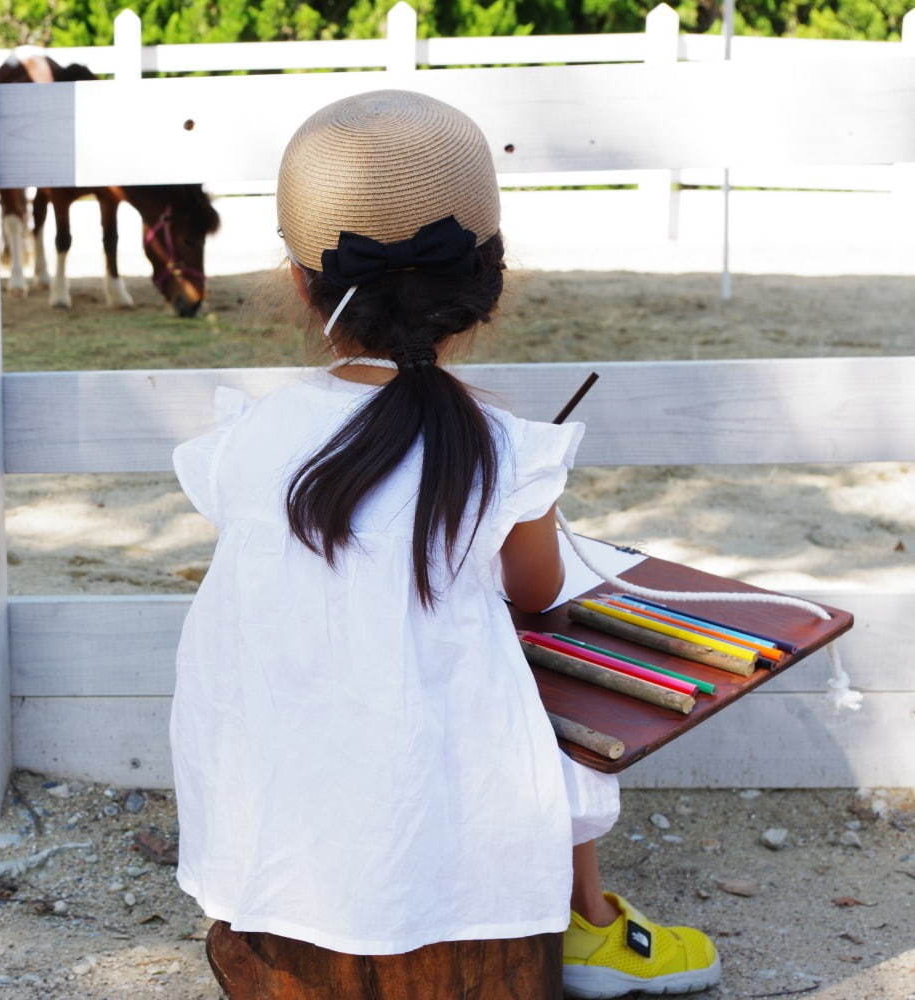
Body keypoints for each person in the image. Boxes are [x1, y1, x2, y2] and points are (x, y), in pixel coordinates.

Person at [169, 89, 720, 998]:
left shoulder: (246, 441)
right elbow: (539, 592)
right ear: (484, 290)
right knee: (533, 682)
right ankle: (587, 930)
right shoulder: (498, 449)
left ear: (300, 283)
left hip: (275, 807)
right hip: (455, 813)